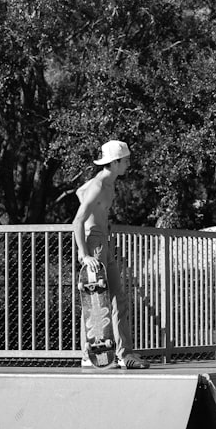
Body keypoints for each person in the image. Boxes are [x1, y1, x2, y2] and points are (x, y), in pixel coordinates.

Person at [72, 140, 149, 369]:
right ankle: (89, 354)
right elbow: (77, 220)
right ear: (114, 163)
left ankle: (124, 355)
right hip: (94, 244)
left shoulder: (108, 183)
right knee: (96, 301)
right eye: (125, 161)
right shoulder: (98, 185)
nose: (128, 164)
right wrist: (84, 254)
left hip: (104, 242)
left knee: (118, 300)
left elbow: (79, 192)